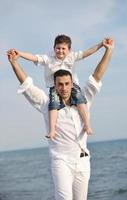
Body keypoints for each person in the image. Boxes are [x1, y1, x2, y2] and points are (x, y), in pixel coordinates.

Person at [7, 38, 114, 200]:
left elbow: (97, 76)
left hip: (83, 161)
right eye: (60, 85)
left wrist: (108, 51)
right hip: (61, 161)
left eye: (67, 84)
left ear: (72, 84)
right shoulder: (47, 103)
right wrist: (14, 63)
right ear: (54, 86)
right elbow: (28, 85)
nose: (64, 88)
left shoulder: (84, 100)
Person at [9, 35, 103, 139]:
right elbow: (34, 57)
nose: (60, 51)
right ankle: (52, 130)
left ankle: (87, 125)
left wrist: (101, 45)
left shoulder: (72, 56)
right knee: (53, 105)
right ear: (54, 48)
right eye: (58, 48)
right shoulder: (48, 58)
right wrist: (20, 54)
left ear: (69, 50)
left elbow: (87, 52)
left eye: (63, 49)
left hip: (72, 85)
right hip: (55, 87)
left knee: (81, 101)